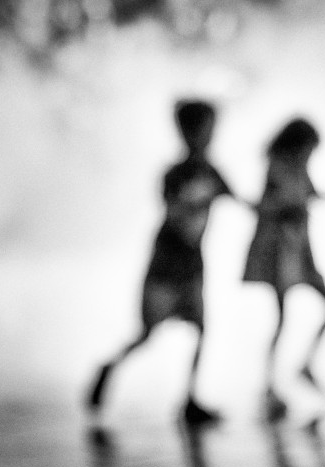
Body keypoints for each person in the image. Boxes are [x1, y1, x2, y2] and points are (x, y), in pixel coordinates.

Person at [87, 99, 235, 424]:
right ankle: (109, 367)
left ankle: (190, 398)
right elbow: (174, 211)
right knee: (147, 333)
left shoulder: (212, 171)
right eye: (203, 130)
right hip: (167, 262)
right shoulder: (175, 173)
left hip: (192, 263)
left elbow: (241, 200)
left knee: (201, 329)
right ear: (187, 133)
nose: (208, 137)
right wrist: (200, 200)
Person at [243, 117, 325, 422]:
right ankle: (269, 385)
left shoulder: (299, 170)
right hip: (279, 250)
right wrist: (286, 207)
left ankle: (305, 365)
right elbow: (268, 204)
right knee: (281, 318)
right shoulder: (277, 168)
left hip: (300, 250)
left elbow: (315, 195)